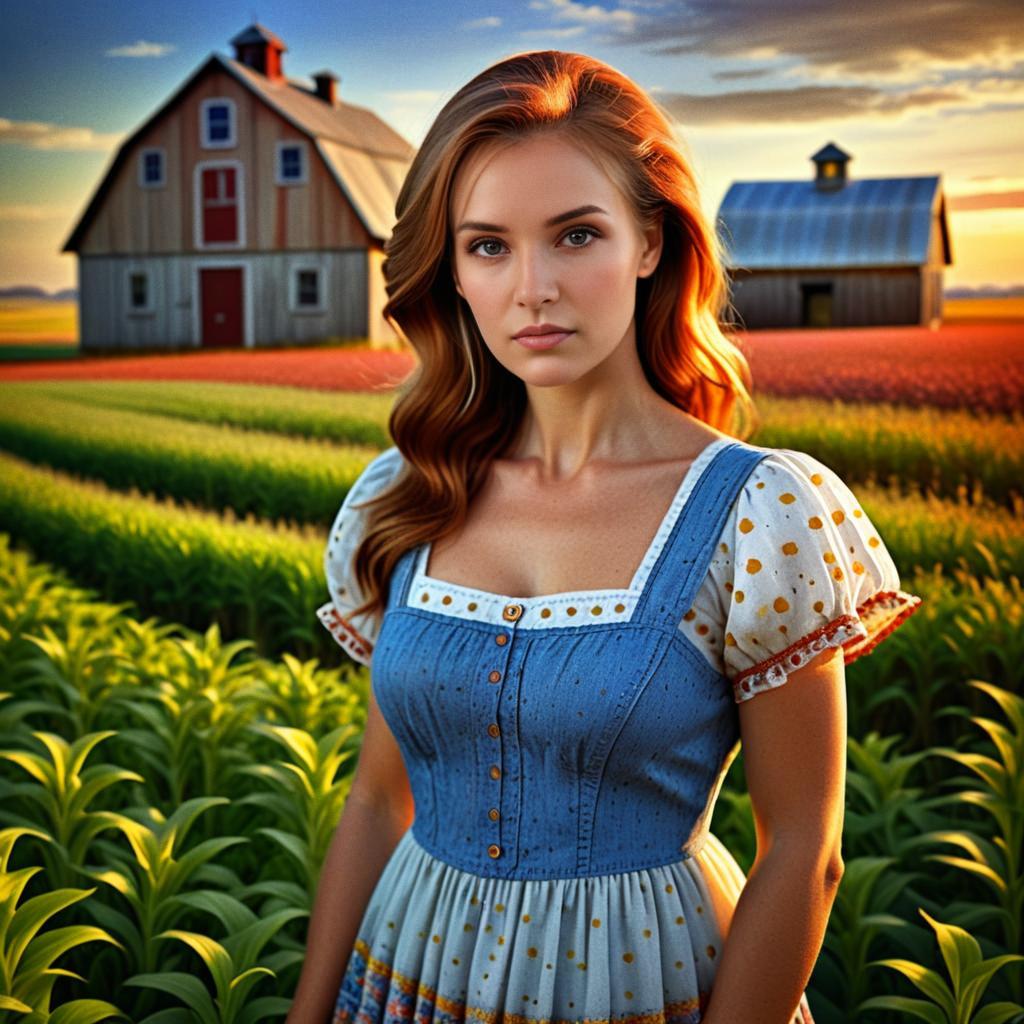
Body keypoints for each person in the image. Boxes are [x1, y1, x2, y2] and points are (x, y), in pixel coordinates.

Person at [285, 50, 922, 1024]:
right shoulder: (406, 495)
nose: (532, 287)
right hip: (404, 974)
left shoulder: (755, 512)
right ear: (450, 271)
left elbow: (805, 847)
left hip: (645, 983)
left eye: (575, 234)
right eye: (488, 246)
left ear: (651, 242)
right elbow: (378, 802)